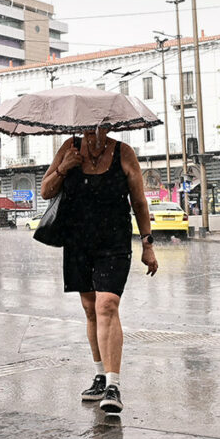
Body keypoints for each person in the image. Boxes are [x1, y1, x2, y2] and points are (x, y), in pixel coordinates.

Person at [41, 127, 158, 415]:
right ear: (81, 126)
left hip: (115, 242)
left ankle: (113, 384)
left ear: (109, 126)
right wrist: (64, 168)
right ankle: (99, 376)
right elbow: (46, 191)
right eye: (89, 125)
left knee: (108, 304)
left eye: (101, 124)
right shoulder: (70, 147)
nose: (95, 130)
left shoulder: (123, 153)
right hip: (78, 242)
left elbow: (139, 201)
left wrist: (148, 244)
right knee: (91, 309)